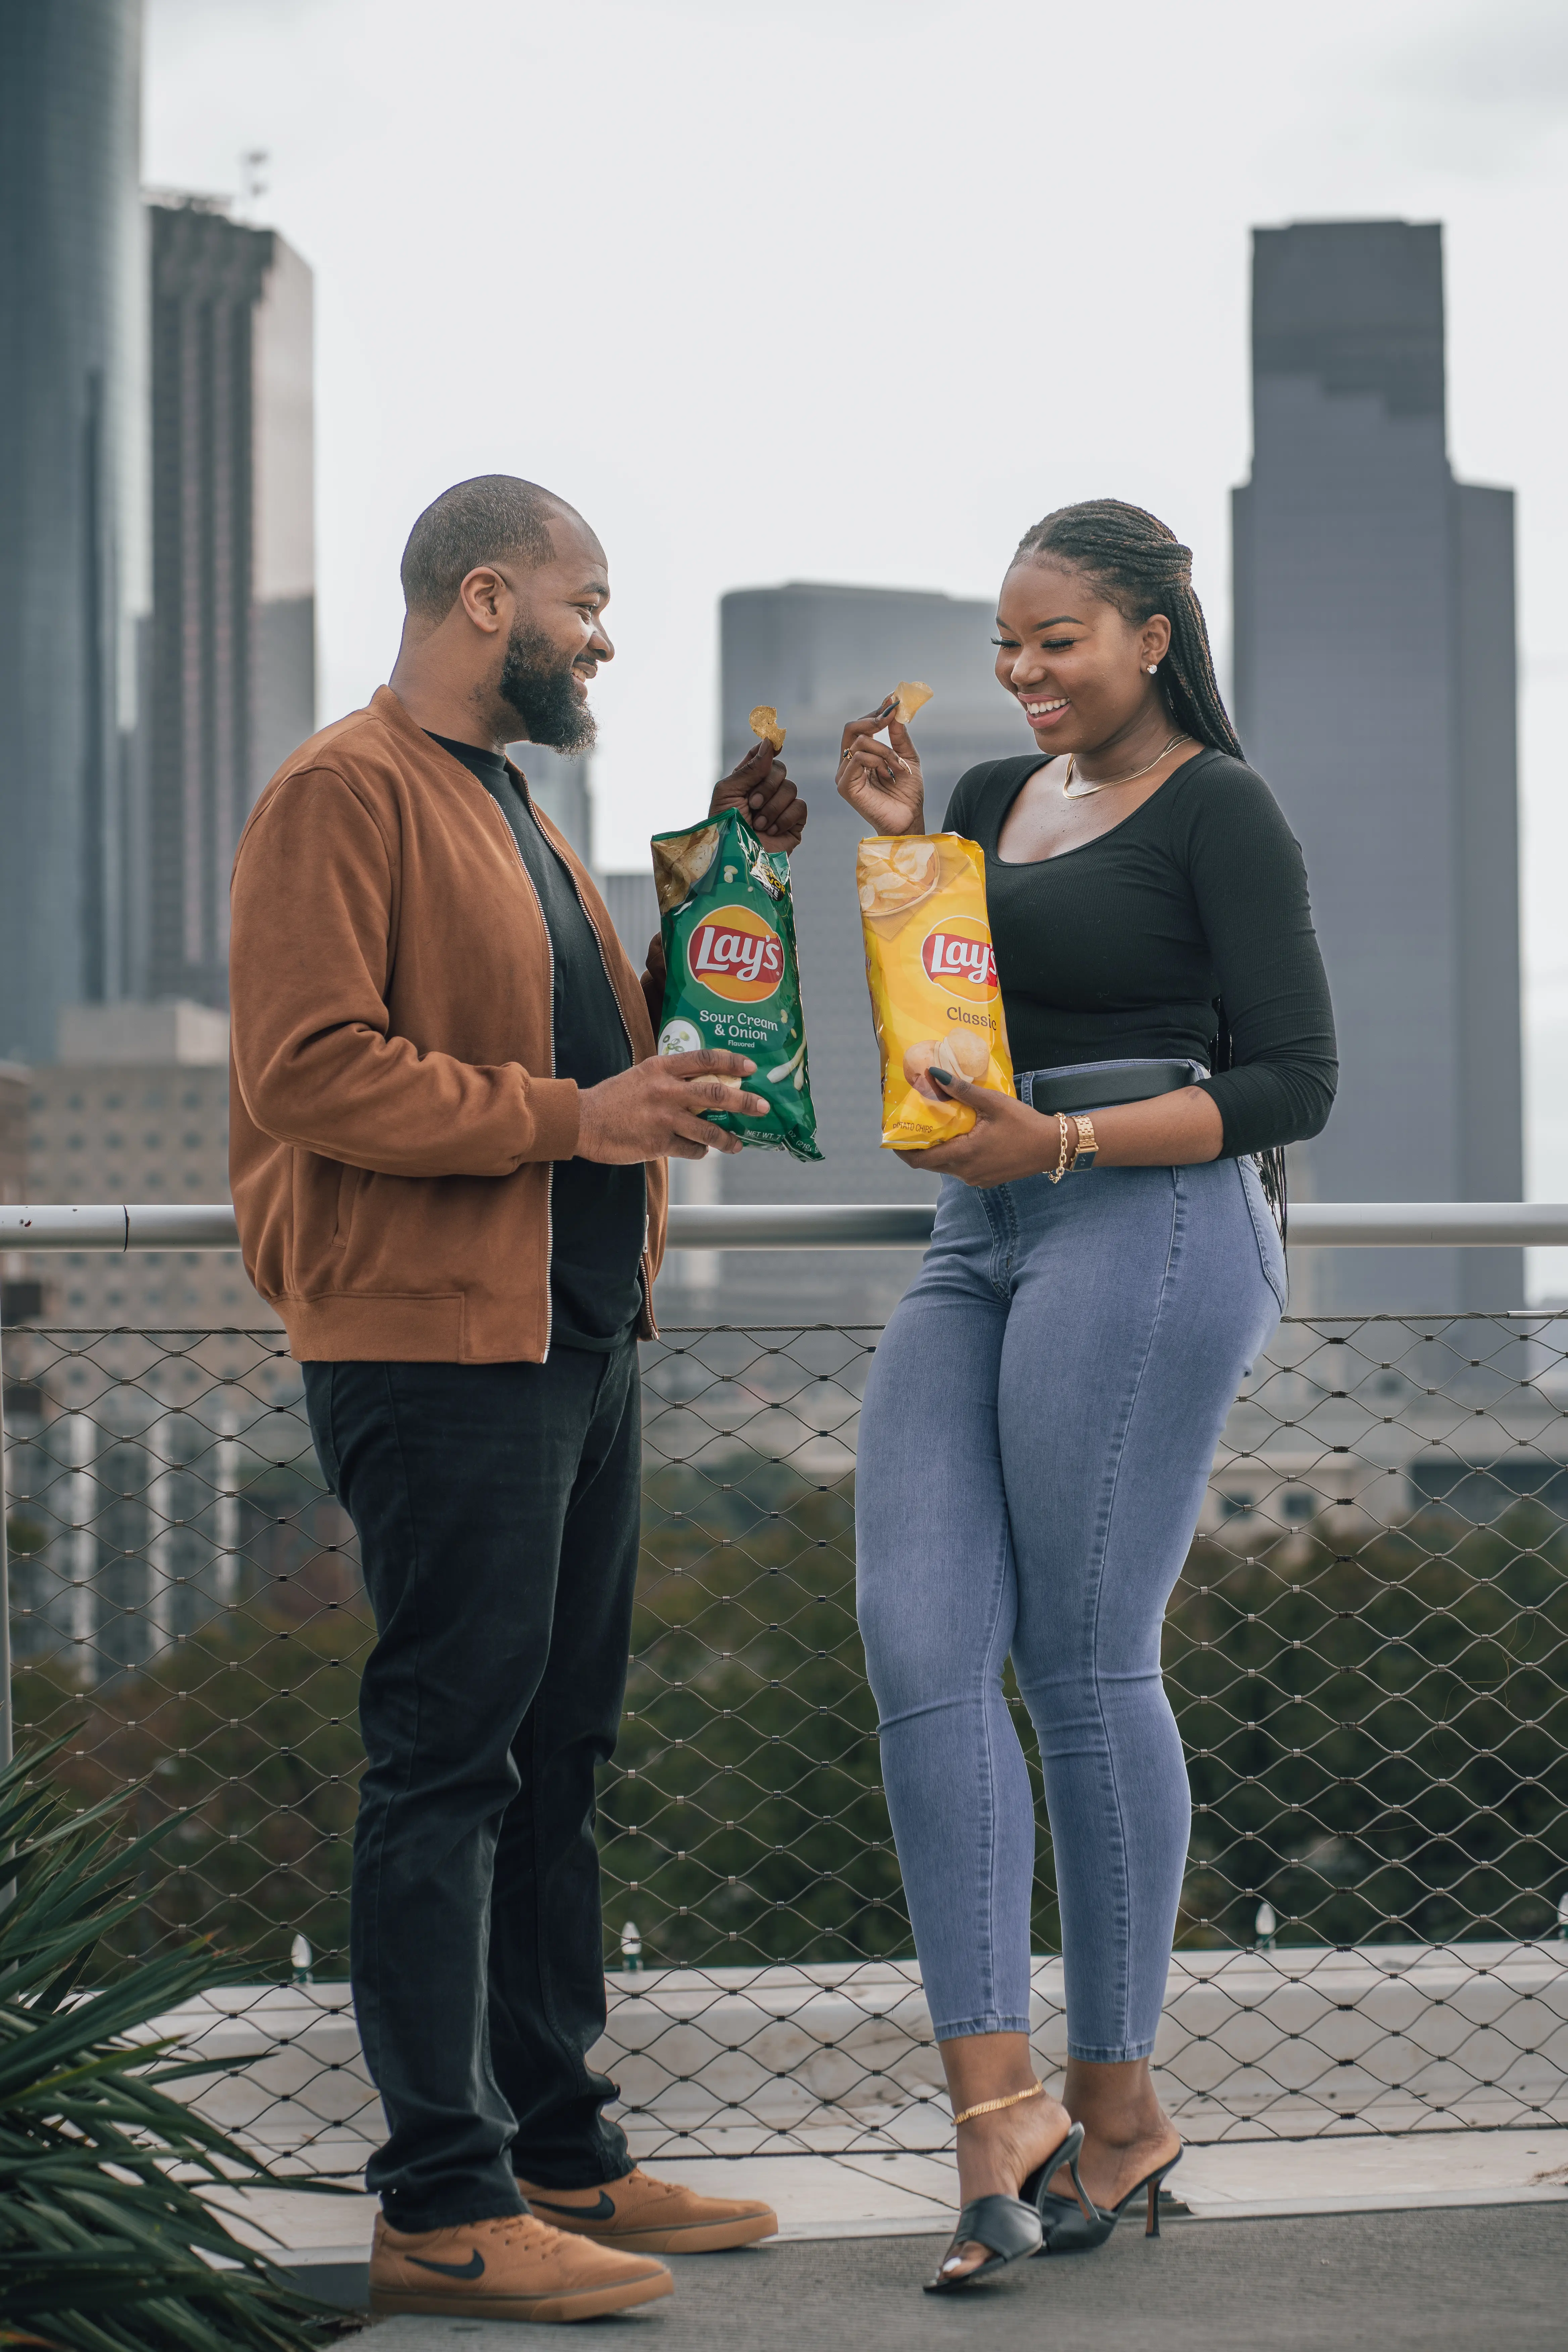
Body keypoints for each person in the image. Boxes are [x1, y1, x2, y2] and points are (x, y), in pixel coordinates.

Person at [228, 475, 806, 2325]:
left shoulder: (514, 804)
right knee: (449, 1769)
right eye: (589, 600)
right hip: (429, 1349)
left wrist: (721, 889)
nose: (606, 635)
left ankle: (562, 2156)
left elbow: (581, 1051)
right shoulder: (344, 790)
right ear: (491, 598)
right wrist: (584, 1120)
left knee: (559, 1765)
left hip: (572, 1338)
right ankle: (440, 2200)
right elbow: (313, 1072)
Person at [835, 499, 1336, 2292]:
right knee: (916, 1635)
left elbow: (1294, 1080)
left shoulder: (1223, 811)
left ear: (1148, 633)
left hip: (1155, 1220)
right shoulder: (976, 804)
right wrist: (901, 858)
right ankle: (1003, 2113)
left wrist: (1064, 1136)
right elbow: (936, 1042)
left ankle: (1115, 2103)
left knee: (1078, 1659)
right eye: (1007, 647)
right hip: (980, 1228)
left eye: (1059, 640)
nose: (1026, 673)